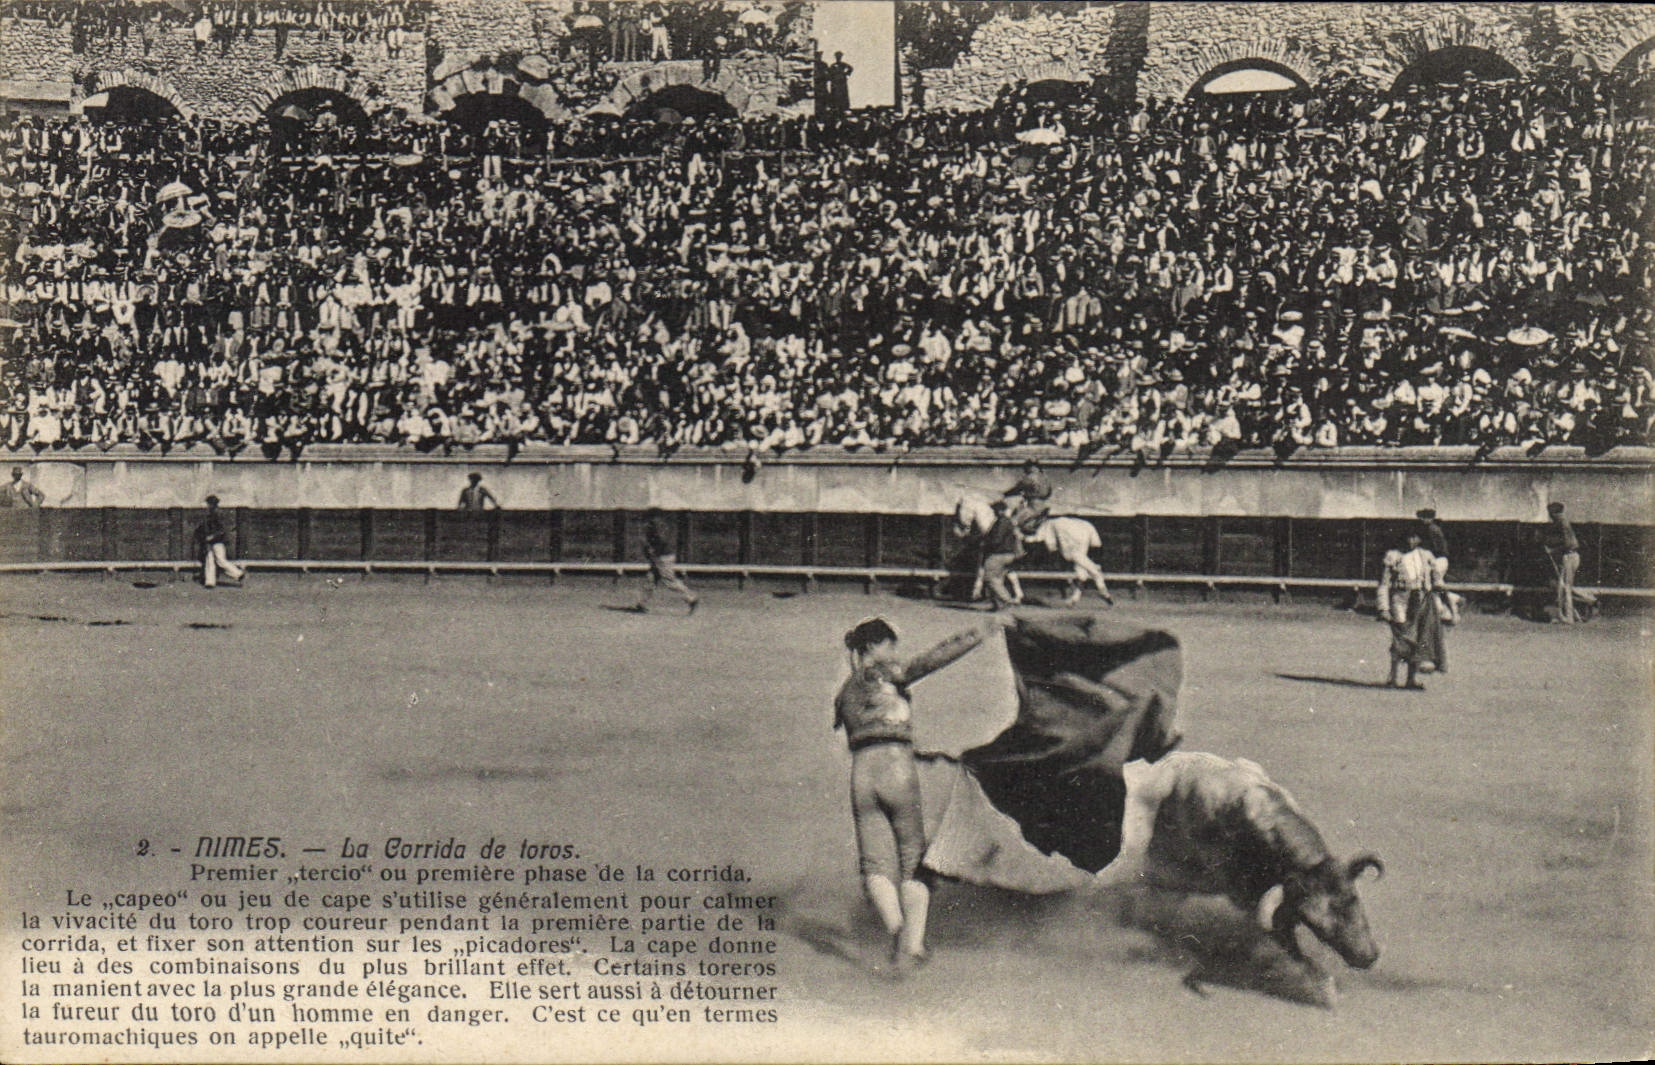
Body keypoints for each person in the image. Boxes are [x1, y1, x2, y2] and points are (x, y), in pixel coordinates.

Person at [834, 614, 1004, 973]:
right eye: (889, 646)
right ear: (873, 646)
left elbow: (861, 729)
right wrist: (978, 633)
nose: (894, 653)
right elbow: (930, 661)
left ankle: (896, 928)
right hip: (896, 768)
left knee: (874, 864)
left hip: (861, 775)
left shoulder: (845, 692)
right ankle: (911, 943)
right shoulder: (885, 674)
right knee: (914, 859)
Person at [1377, 530, 1446, 689]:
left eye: (1415, 536)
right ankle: (1393, 678)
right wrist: (1384, 608)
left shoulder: (1426, 556)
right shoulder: (1393, 556)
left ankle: (1410, 679)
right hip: (1400, 599)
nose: (1411, 540)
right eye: (1409, 536)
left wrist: (1439, 599)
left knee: (1418, 638)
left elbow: (1437, 580)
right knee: (1400, 638)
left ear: (1419, 539)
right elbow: (1384, 584)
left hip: (1421, 599)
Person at [635, 508, 697, 614]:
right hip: (661, 555)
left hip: (662, 556)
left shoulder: (655, 525)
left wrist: (652, 548)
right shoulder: (659, 524)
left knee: (669, 581)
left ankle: (691, 597)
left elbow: (661, 540)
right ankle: (641, 604)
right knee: (651, 579)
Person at [1416, 508, 1461, 624]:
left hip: (1438, 559)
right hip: (1436, 559)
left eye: (1425, 517)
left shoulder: (1432, 529)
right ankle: (1446, 609)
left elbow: (1437, 549)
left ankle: (1450, 607)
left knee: (1436, 585)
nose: (1422, 519)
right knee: (1433, 587)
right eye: (1422, 517)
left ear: (1430, 518)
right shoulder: (1430, 528)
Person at [980, 499, 1023, 610]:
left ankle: (1007, 601)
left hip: (999, 554)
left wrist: (985, 544)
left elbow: (996, 539)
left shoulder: (1002, 522)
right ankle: (998, 605)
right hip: (1008, 554)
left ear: (999, 510)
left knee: (989, 578)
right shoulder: (1007, 521)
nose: (993, 512)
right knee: (998, 580)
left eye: (994, 510)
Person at [1543, 501, 1581, 624]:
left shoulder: (1562, 524)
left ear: (1554, 513)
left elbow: (1568, 544)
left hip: (1569, 556)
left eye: (1550, 513)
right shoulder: (1563, 523)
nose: (1550, 516)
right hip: (1571, 556)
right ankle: (1571, 615)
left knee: (1565, 588)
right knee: (1563, 587)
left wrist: (1552, 550)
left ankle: (1569, 617)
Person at [198, 495, 246, 588]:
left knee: (220, 560)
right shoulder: (211, 514)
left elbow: (222, 530)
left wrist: (212, 536)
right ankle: (210, 582)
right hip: (212, 540)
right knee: (209, 559)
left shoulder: (217, 515)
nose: (207, 506)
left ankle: (238, 573)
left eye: (208, 504)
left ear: (212, 504)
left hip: (218, 541)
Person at [1003, 459, 1053, 536]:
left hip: (1032, 507)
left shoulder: (1029, 477)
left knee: (1012, 522)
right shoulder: (1045, 478)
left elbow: (1018, 488)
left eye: (1027, 467)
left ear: (1030, 467)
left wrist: (1005, 494)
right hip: (1044, 505)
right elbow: (1049, 492)